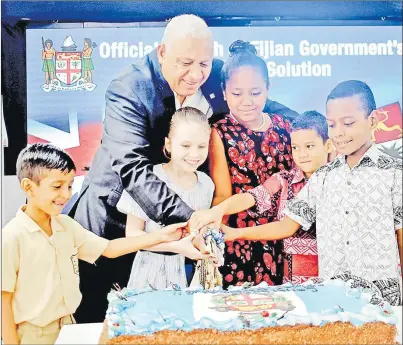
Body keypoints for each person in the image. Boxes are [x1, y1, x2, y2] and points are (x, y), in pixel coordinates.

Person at [70, 14, 298, 322]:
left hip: (184, 245)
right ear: (162, 53)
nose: (195, 74)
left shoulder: (216, 73)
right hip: (116, 225)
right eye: (185, 63)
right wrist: (197, 220)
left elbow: (258, 99)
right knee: (107, 321)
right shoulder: (129, 89)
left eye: (203, 64)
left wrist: (319, 129)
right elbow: (134, 170)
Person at [220, 80, 403, 305]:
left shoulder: (394, 173)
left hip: (383, 304)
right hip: (333, 301)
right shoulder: (322, 177)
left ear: (372, 121)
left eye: (348, 123)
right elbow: (287, 226)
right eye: (332, 125)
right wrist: (233, 233)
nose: (340, 133)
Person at [1, 143, 187, 345]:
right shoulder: (12, 237)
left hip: (70, 327)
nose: (65, 194)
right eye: (57, 186)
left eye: (70, 185)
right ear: (28, 186)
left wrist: (161, 236)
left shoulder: (66, 226)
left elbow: (108, 249)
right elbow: (4, 300)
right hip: (33, 337)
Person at [191, 111, 332, 284]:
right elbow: (251, 197)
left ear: (329, 145)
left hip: (328, 273)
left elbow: (286, 227)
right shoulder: (285, 179)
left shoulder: (336, 180)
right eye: (295, 147)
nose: (302, 154)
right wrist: (217, 211)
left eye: (309, 146)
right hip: (292, 279)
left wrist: (237, 233)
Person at [209, 40, 294, 288]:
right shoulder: (220, 132)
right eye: (237, 94)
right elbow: (221, 196)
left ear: (268, 89)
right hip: (240, 243)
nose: (247, 101)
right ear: (224, 92)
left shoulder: (285, 126)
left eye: (255, 93)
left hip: (285, 236)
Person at [116, 107, 215, 291]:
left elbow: (199, 232)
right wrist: (177, 247)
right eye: (186, 146)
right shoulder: (149, 179)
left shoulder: (206, 184)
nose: (194, 154)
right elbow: (132, 234)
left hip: (191, 278)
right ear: (168, 144)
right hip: (150, 273)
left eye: (201, 146)